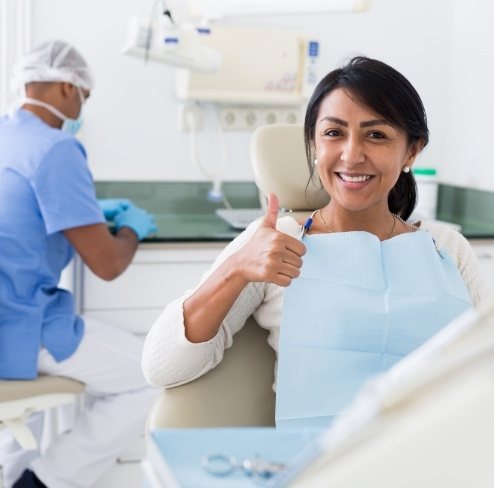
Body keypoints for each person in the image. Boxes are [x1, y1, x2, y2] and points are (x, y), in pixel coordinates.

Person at [141, 56, 492, 425]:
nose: (352, 155)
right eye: (333, 133)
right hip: (318, 467)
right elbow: (162, 367)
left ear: (411, 151)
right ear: (313, 143)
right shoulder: (276, 241)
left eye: (376, 135)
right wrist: (235, 270)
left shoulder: (446, 248)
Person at [0, 40, 160, 487]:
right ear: (68, 88)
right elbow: (107, 264)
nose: (82, 110)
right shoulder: (56, 149)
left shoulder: (6, 134)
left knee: (20, 424)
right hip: (19, 324)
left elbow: (21, 207)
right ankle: (46, 480)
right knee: (150, 375)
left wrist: (89, 210)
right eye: (84, 97)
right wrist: (130, 229)